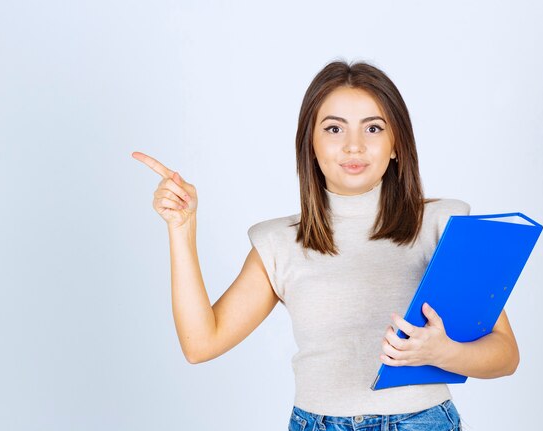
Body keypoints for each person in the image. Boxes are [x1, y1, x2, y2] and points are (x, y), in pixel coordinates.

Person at [131, 60, 519, 431]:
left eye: (373, 128)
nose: (353, 146)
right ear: (311, 145)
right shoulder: (279, 242)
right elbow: (200, 343)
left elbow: (505, 354)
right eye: (334, 129)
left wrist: (441, 353)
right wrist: (182, 229)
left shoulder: (442, 225)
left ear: (396, 143)